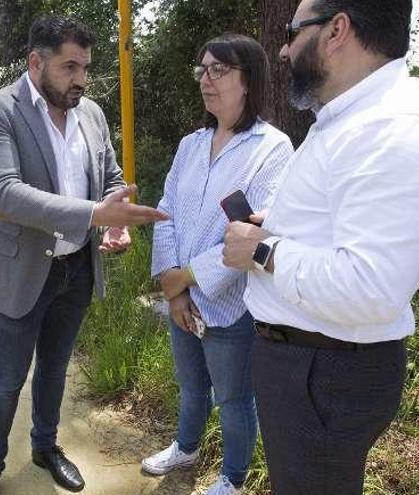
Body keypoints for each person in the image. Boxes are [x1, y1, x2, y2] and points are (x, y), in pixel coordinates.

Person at [222, 1, 419, 493]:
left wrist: (261, 250)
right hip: (310, 362)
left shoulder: (400, 128)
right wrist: (276, 227)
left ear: (337, 29)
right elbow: (341, 228)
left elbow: (370, 286)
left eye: (294, 32)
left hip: (323, 371)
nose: (283, 47)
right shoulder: (354, 117)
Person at [0, 15, 169, 495]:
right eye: (69, 67)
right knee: (8, 378)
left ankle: (45, 446)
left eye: (85, 68)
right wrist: (95, 214)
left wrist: (114, 219)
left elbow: (111, 176)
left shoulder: (92, 113)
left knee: (56, 369)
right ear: (36, 62)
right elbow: (1, 193)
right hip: (21, 269)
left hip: (76, 268)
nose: (80, 79)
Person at [143, 34, 293, 495]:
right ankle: (186, 446)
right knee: (190, 385)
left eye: (218, 71)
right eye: (201, 70)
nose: (205, 80)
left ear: (247, 80)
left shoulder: (272, 148)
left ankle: (233, 477)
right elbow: (166, 212)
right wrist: (175, 288)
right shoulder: (191, 144)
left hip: (232, 304)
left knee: (233, 398)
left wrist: (184, 278)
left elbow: (251, 235)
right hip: (183, 297)